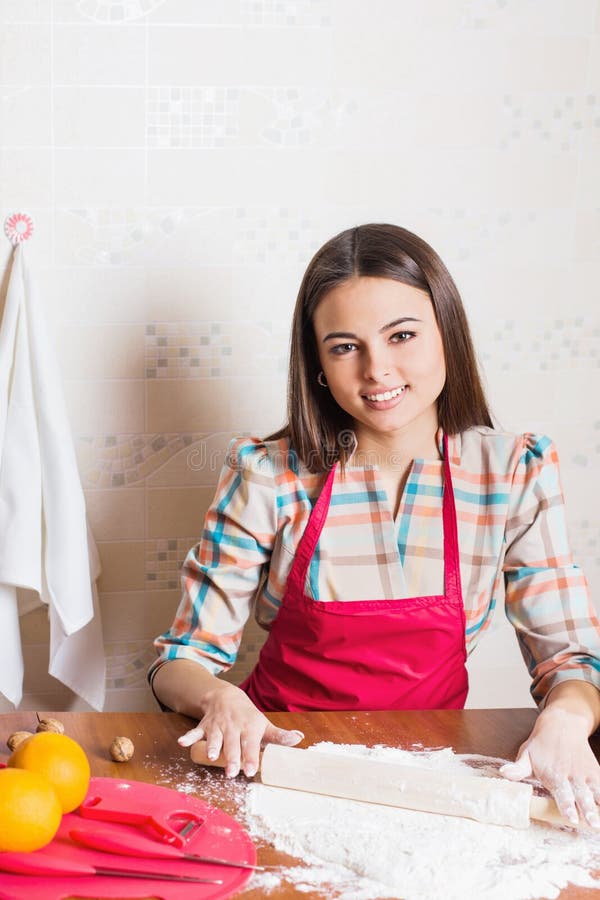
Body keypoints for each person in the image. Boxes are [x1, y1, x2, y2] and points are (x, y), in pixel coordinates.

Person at [149, 223, 600, 827]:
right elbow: (179, 661)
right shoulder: (267, 474)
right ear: (318, 364)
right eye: (344, 347)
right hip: (282, 772)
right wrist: (217, 697)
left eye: (402, 335)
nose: (377, 370)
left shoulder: (514, 471)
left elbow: (570, 660)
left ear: (448, 335)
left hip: (437, 778)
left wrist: (565, 722)